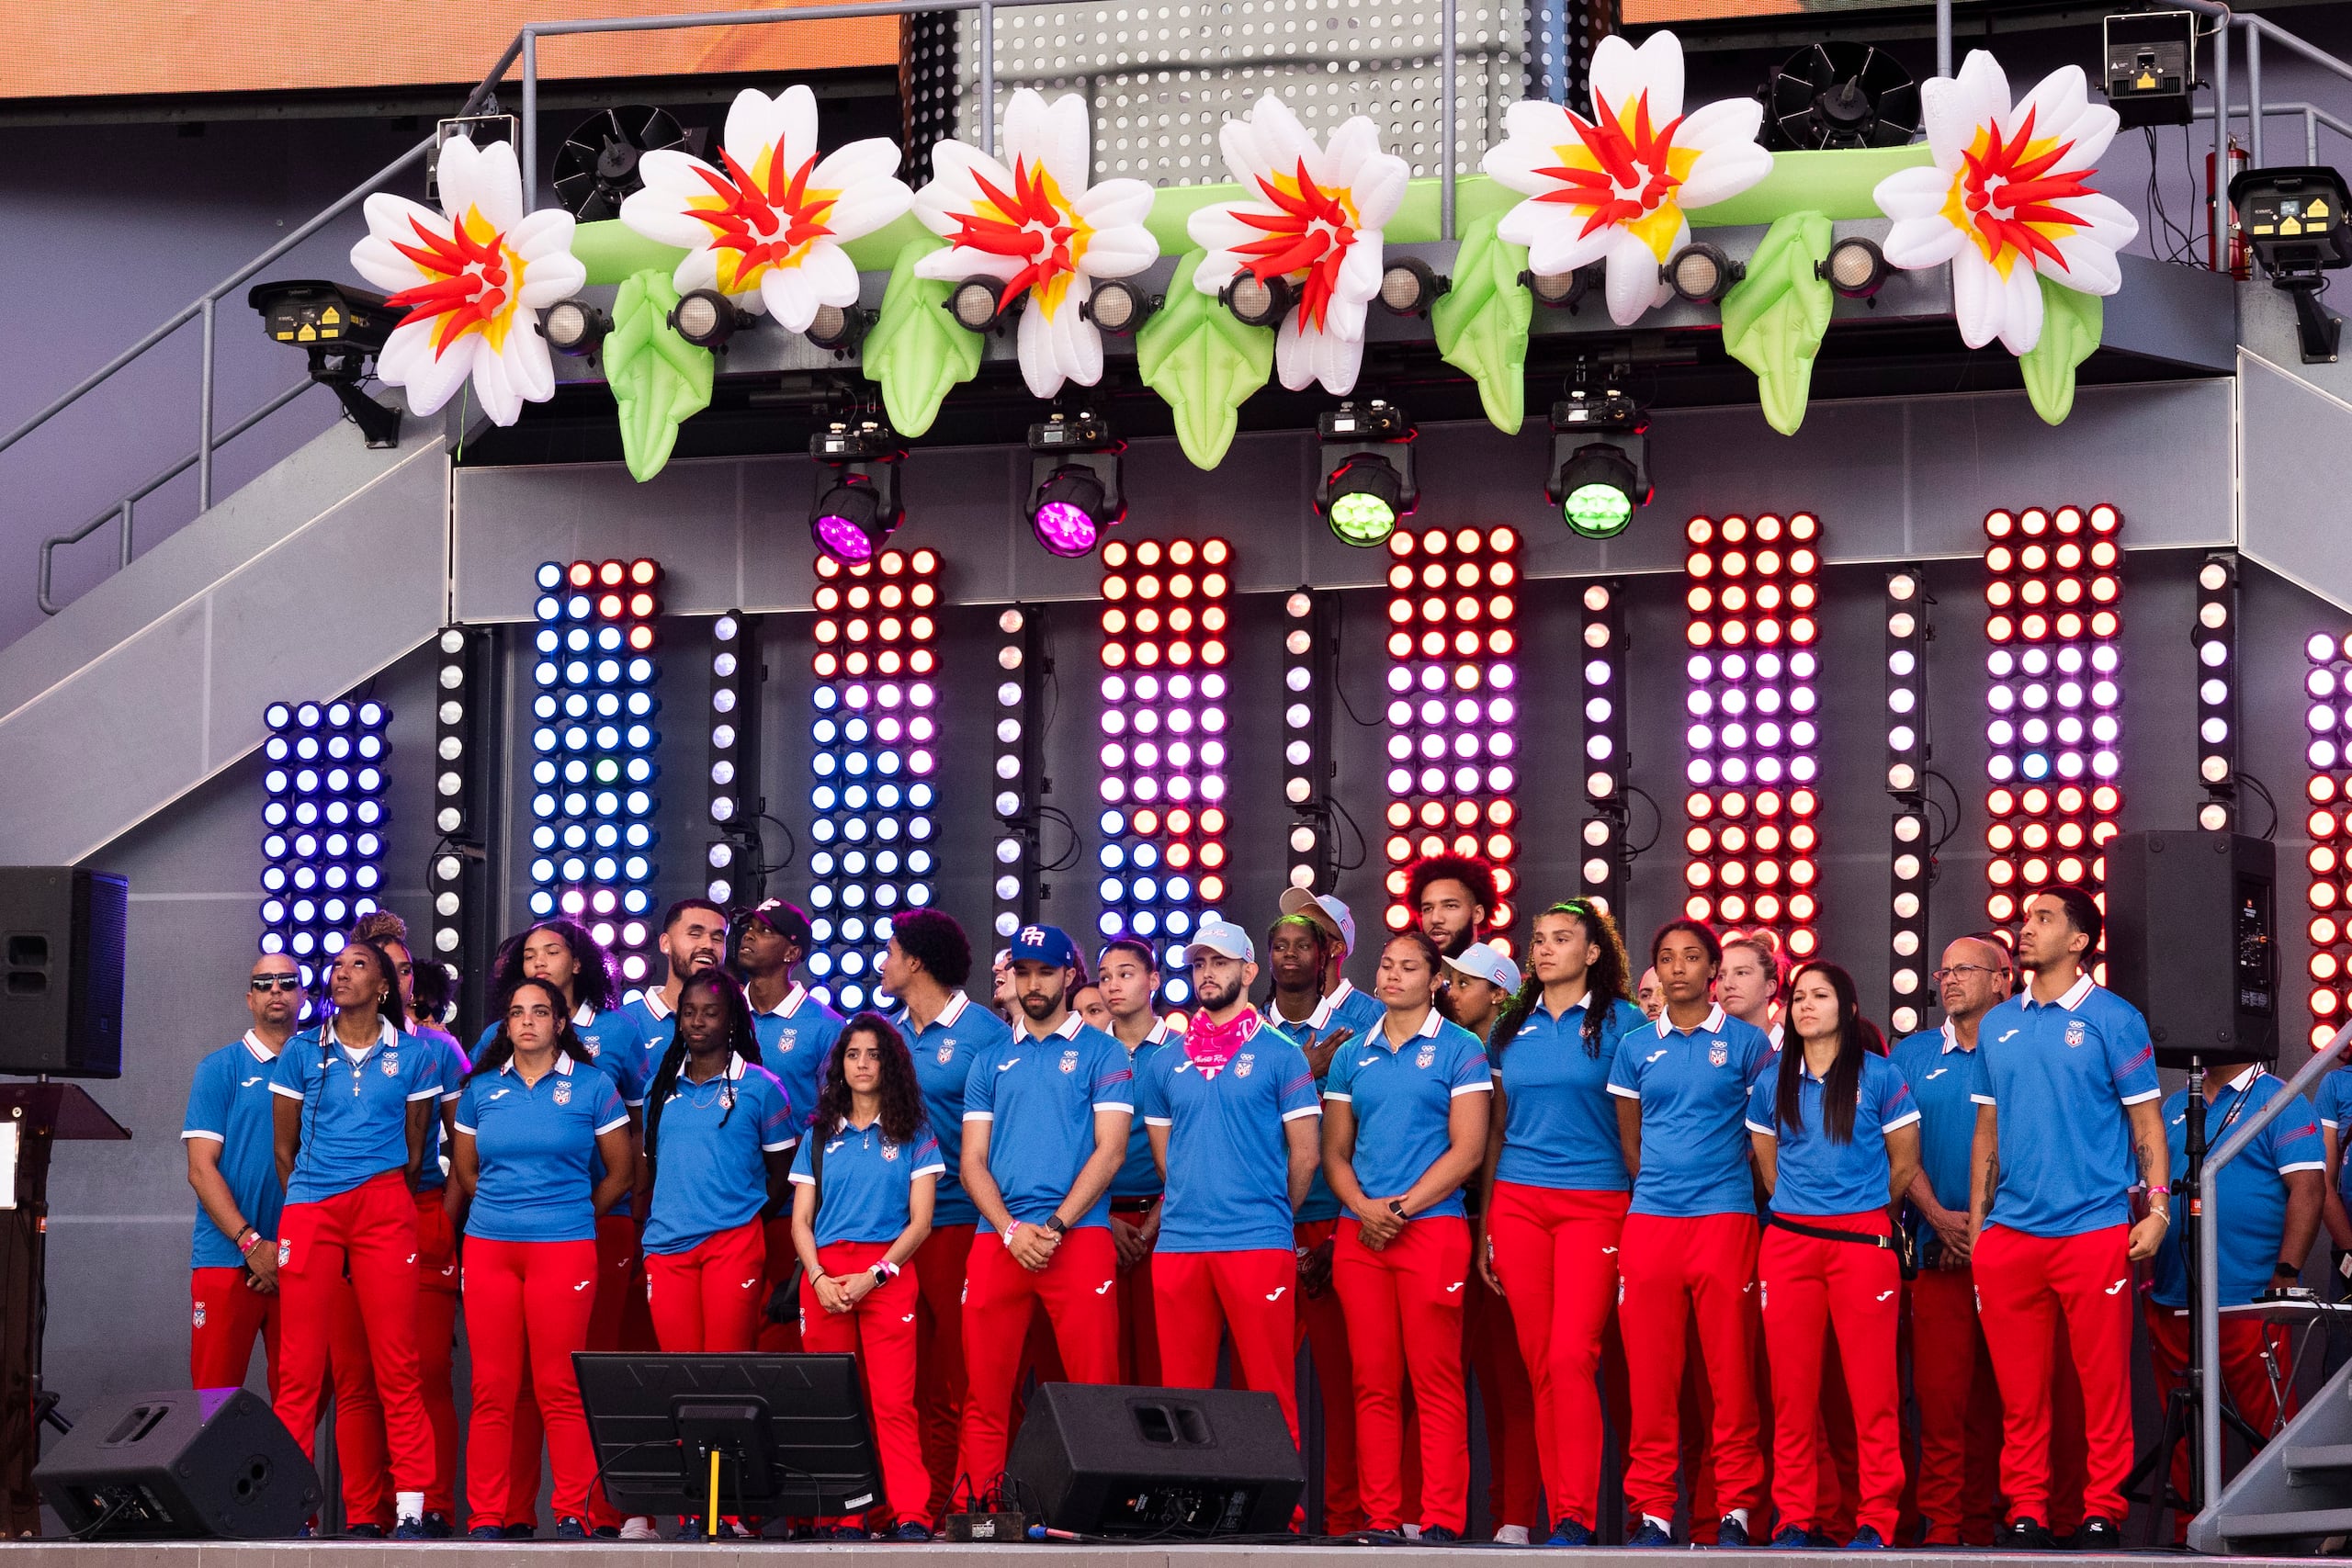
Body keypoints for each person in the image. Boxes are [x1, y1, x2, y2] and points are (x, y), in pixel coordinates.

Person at [1968, 886, 2167, 1551]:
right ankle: (2026, 1509)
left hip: (2093, 1228)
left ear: (2080, 941)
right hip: (2010, 1236)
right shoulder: (1998, 1023)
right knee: (2021, 1394)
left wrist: (2158, 1208)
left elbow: (2147, 1123)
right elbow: (1987, 1132)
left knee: (2102, 1389)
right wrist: (1980, 1231)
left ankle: (2102, 1510)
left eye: (2043, 918)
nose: (2025, 927)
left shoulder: (2116, 1017)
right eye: (2027, 917)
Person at [267, 938, 450, 1539]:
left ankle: (411, 1508)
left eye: (358, 965)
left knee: (398, 1362)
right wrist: (313, 1196)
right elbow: (284, 1148)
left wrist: (378, 1194)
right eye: (338, 965)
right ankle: (292, 1511)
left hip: (384, 1204)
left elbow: (418, 1151)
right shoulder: (301, 1050)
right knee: (298, 1367)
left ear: (384, 986)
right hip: (312, 1205)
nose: (342, 972)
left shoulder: (416, 1054)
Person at [1477, 900, 1645, 1548]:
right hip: (1518, 1203)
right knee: (1540, 1364)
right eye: (1539, 939)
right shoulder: (1509, 1027)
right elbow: (1496, 1130)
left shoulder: (1627, 1024)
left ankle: (1575, 1513)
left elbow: (1641, 1126)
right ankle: (1561, 1517)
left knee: (1573, 1355)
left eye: (1561, 939)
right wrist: (1487, 1226)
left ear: (1593, 952)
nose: (1544, 949)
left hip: (1597, 1202)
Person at [1605, 919, 1774, 1548]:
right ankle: (1653, 1512)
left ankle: (1736, 1510)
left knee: (1730, 1376)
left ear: (1712, 971)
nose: (1678, 968)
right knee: (1651, 1379)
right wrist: (1662, 1186)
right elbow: (1630, 1141)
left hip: (1725, 1220)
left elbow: (1764, 1138)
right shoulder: (1634, 1047)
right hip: (1651, 1222)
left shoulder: (1748, 1044)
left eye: (1692, 957)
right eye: (1667, 957)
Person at [1322, 928, 1491, 1541]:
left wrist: (1397, 1209)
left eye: (1409, 967)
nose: (1392, 975)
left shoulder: (1461, 1047)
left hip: (1430, 1229)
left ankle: (1442, 1518)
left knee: (1435, 1380)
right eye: (1386, 964)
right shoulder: (1352, 1053)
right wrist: (1364, 1208)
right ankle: (1382, 1519)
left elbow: (1468, 1150)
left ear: (1435, 980)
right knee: (1372, 1382)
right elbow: (1334, 1152)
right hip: (1360, 1235)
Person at [449, 978, 634, 1540]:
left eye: (539, 1012)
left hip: (564, 1249)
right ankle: (487, 1515)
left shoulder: (594, 1086)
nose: (526, 1021)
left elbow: (622, 1173)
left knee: (560, 1385)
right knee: (493, 1388)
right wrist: (506, 1211)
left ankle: (574, 1510)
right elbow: (467, 1172)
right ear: (505, 1026)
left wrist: (571, 1214)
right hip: (490, 1248)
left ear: (560, 1023)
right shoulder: (481, 1089)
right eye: (516, 1013)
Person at [1747, 962, 1920, 1550]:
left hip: (1863, 1243)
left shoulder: (1880, 1075)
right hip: (1789, 1243)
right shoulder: (1773, 1079)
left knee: (1873, 1394)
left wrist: (1861, 1212)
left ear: (1847, 1009)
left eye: (1819, 996)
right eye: (1798, 997)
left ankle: (1877, 1519)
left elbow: (1904, 1165)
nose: (1805, 1005)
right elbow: (1768, 1167)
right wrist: (1806, 1210)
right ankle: (1794, 1518)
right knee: (1792, 1394)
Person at [956, 923, 1133, 1493]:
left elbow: (1111, 1151)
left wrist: (1054, 1226)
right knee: (984, 1393)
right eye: (1023, 972)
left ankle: (1099, 1515)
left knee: (1094, 1391)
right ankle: (978, 1509)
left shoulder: (1104, 1051)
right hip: (998, 1238)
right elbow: (971, 1161)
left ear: (1069, 975)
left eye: (1046, 972)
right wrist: (1012, 1230)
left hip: (1077, 1236)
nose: (1033, 984)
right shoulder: (988, 1060)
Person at [1135, 921, 1319, 1441]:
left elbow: (1306, 1156)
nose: (1207, 973)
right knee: (1182, 1399)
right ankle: (1190, 1495)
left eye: (1220, 962)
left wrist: (1269, 1214)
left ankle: (1280, 1496)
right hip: (1180, 1243)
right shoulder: (1165, 1061)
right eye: (1199, 964)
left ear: (1249, 971)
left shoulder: (1282, 1054)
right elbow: (1167, 1162)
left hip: (1257, 1241)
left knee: (1268, 1392)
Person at [2143, 1057, 2322, 1540]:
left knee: (2268, 1426)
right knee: (2187, 1431)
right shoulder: (2175, 1105)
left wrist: (2286, 1273)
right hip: (2174, 1298)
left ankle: (2280, 1535)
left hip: (2248, 1300)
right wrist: (2145, 1279)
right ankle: (2191, 1534)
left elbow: (2308, 1188)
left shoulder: (2280, 1099)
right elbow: (2147, 1193)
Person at [879, 908, 1014, 1519]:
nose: (883, 963)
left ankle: (971, 1501)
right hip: (895, 1228)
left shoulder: (986, 1033)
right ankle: (916, 1507)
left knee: (964, 1377)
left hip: (962, 1221)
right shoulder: (886, 1035)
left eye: (891, 951)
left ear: (916, 961)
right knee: (909, 1380)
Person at [791, 1015, 943, 1540]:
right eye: (853, 1054)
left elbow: (921, 1222)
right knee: (835, 1405)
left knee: (893, 1402)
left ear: (889, 1065)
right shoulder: (818, 1134)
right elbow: (800, 1221)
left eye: (873, 1055)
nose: (862, 1064)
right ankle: (845, 1514)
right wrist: (817, 1278)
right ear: (840, 1065)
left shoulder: (915, 1132)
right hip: (826, 1279)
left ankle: (910, 1513)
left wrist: (874, 1275)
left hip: (887, 1273)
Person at [1890, 936, 2014, 1548]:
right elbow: (1891, 1146)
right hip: (1937, 1252)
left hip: (2012, 1249)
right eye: (1944, 971)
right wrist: (1939, 1217)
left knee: (2009, 1404)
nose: (1950, 979)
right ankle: (1941, 1528)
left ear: (2002, 978)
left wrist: (1987, 1229)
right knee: (1940, 1403)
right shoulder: (1910, 1054)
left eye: (1966, 968)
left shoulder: (2020, 1048)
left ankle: (1998, 1525)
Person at [1262, 892, 1379, 1533]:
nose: (1292, 950)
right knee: (1261, 1383)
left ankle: (1346, 1517)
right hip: (1261, 1224)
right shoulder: (1248, 1026)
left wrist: (1346, 1225)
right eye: (1281, 941)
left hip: (1339, 1220)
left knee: (1349, 1383)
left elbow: (1381, 1126)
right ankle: (1269, 1513)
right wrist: (1301, 1073)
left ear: (1333, 949)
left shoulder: (1371, 1017)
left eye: (1310, 936)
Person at [352, 908, 469, 1535]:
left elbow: (466, 1148)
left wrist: (442, 1221)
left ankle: (433, 1507)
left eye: (402, 970)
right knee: (359, 1378)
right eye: (380, 968)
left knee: (424, 1372)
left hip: (420, 1213)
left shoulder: (438, 1048)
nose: (395, 980)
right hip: (347, 1220)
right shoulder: (323, 1046)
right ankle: (365, 1514)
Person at [1442, 939, 1542, 1544]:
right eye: (1449, 982)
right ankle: (1431, 1516)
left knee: (1512, 1383)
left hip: (1505, 1223)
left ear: (1499, 994)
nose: (1451, 993)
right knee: (1440, 1379)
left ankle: (1515, 1517)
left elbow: (1502, 1143)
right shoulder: (1442, 1050)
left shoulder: (1516, 1054)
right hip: (1443, 1224)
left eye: (1464, 983)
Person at [641, 973, 797, 1356]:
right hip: (666, 1246)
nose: (697, 1021)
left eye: (710, 1013)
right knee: (679, 1369)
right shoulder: (657, 1088)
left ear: (731, 1021)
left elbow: (783, 1174)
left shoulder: (762, 1087)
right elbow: (656, 1168)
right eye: (689, 1012)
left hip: (733, 1244)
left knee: (725, 1368)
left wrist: (745, 1221)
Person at [185, 956, 303, 1400]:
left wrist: (284, 1253)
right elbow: (200, 1169)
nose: (276, 989)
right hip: (227, 1257)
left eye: (286, 981)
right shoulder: (219, 1068)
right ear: (249, 999)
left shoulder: (318, 1067)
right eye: (264, 982)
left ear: (302, 995)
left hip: (300, 1261)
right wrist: (253, 1245)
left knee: (301, 1404)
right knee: (212, 1402)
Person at [729, 898, 843, 1353]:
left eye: (766, 930)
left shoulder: (825, 1026)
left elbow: (835, 1120)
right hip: (725, 1202)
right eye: (749, 927)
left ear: (792, 952)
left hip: (791, 1209)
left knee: (780, 1340)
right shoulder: (716, 1015)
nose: (749, 935)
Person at [1097, 937, 1173, 1385]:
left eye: (1125, 974)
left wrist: (1149, 1229)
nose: (1113, 985)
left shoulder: (1182, 1051)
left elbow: (1191, 1152)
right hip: (1093, 1221)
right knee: (1106, 1368)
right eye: (1105, 977)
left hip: (1165, 1222)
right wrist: (1102, 1219)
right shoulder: (1087, 1052)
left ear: (1154, 980)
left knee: (1160, 1364)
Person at [1408, 853, 1498, 957]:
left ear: (1477, 914)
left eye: (1450, 906)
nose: (1435, 919)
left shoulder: (1498, 966)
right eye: (1428, 909)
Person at [1716, 933, 1784, 1044]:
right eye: (1720, 977)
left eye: (1741, 973)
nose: (1727, 984)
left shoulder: (1796, 1049)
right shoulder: (1703, 1045)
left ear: (1770, 987)